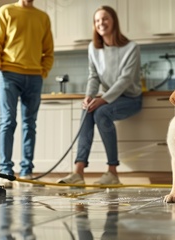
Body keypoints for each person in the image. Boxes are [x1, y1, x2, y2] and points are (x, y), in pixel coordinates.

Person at [57, 6, 142, 185]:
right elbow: (93, 76)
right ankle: (78, 172)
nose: (100, 23)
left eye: (105, 19)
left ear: (113, 22)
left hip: (130, 99)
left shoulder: (131, 48)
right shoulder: (93, 48)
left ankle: (112, 172)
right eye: (97, 21)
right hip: (110, 97)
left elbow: (125, 80)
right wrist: (89, 96)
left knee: (101, 112)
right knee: (88, 109)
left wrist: (102, 99)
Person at [0, 0, 54, 188]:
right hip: (8, 74)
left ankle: (27, 171)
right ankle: (6, 170)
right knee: (8, 120)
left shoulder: (42, 17)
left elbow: (48, 51)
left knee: (29, 124)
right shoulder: (6, 11)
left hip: (34, 77)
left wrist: (43, 72)